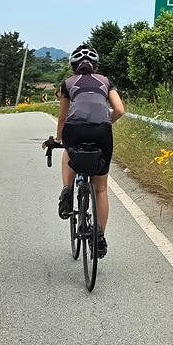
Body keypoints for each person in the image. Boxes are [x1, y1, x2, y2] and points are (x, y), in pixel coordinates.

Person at [49, 44, 124, 257]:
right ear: (96, 66)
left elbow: (63, 117)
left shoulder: (68, 83)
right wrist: (105, 122)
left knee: (68, 148)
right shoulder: (106, 81)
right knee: (100, 190)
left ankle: (67, 189)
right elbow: (119, 110)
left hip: (75, 128)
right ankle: (99, 238)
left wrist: (58, 139)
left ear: (73, 67)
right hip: (102, 131)